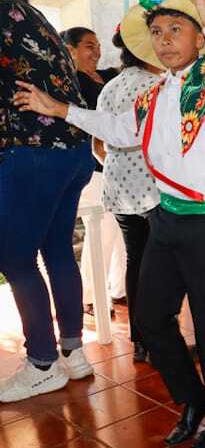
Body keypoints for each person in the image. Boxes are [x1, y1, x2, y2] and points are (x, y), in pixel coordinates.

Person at [15, 0, 205, 448]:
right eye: (159, 32)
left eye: (177, 30)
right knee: (150, 317)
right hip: (163, 216)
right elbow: (118, 129)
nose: (166, 41)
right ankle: (194, 399)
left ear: (200, 38)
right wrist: (59, 108)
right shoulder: (153, 94)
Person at [0, 0, 97, 402]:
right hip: (72, 152)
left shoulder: (5, 14)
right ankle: (73, 352)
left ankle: (41, 362)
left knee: (15, 257)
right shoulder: (41, 22)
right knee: (56, 249)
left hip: (34, 150)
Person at [96, 27, 163, 362]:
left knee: (137, 260)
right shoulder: (155, 86)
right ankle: (160, 340)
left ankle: (141, 340)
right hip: (152, 185)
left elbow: (100, 137)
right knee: (162, 264)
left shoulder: (109, 86)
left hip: (119, 183)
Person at [62, 26, 128, 315]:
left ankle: (118, 289)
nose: (96, 51)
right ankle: (90, 296)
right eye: (89, 46)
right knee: (100, 231)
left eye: (98, 45)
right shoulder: (70, 83)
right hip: (93, 167)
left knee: (119, 231)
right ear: (70, 50)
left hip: (119, 164)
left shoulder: (110, 77)